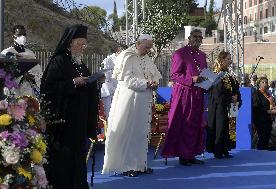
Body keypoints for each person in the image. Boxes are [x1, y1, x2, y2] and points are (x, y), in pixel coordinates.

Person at [40, 24, 101, 189]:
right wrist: (73, 83)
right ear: (70, 43)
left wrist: (93, 81)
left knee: (78, 158)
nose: (82, 47)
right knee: (63, 160)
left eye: (84, 44)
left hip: (78, 121)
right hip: (63, 122)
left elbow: (86, 84)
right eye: (79, 43)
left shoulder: (79, 64)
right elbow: (48, 89)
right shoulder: (58, 61)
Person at [102, 34, 162, 177]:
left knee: (141, 133)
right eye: (146, 47)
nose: (148, 50)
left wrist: (154, 83)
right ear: (138, 43)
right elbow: (125, 80)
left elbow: (155, 75)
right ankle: (128, 166)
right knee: (129, 132)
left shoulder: (146, 58)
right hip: (129, 100)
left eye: (149, 47)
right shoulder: (127, 56)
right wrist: (146, 84)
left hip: (144, 100)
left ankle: (140, 165)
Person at [161, 29, 207, 166]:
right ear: (189, 37)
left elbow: (203, 74)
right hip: (184, 94)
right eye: (195, 37)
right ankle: (182, 155)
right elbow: (174, 75)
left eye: (200, 37)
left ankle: (192, 153)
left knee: (196, 124)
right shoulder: (180, 53)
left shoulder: (203, 55)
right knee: (184, 123)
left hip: (198, 93)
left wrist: (208, 81)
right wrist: (192, 79)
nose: (198, 39)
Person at [206, 51, 242, 159]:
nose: (230, 61)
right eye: (228, 59)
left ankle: (226, 149)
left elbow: (234, 88)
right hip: (219, 105)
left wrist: (236, 97)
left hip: (230, 105)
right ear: (221, 60)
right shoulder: (215, 74)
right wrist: (230, 97)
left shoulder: (229, 74)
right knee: (220, 127)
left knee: (228, 127)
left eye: (230, 58)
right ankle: (218, 151)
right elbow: (217, 92)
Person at [1, 25, 42, 97]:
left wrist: (33, 76)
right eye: (19, 35)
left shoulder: (30, 54)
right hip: (14, 91)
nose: (23, 37)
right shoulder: (7, 52)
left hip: (29, 90)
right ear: (14, 37)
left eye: (24, 35)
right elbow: (6, 72)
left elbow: (38, 72)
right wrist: (23, 75)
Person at [252, 76, 276, 150]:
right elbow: (256, 108)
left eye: (266, 82)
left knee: (266, 139)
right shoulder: (256, 94)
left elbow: (271, 104)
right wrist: (268, 111)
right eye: (263, 82)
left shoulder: (268, 94)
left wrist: (274, 108)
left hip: (269, 119)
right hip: (260, 120)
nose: (265, 84)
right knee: (262, 139)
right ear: (259, 84)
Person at [100, 46, 122, 118]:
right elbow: (105, 78)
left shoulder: (124, 61)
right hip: (109, 92)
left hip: (119, 92)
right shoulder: (108, 60)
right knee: (109, 116)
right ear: (118, 51)